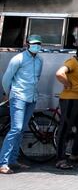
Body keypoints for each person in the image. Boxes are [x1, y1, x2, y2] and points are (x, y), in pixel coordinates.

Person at [0, 35, 44, 174]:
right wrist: (9, 93)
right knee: (16, 128)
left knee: (22, 129)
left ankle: (13, 160)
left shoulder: (39, 60)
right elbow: (7, 78)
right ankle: (3, 162)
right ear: (27, 44)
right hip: (18, 96)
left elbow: (37, 78)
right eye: (34, 43)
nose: (37, 46)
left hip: (32, 97)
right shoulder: (18, 59)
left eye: (39, 44)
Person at [54, 42, 78, 170]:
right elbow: (60, 73)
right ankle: (60, 159)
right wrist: (68, 84)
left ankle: (75, 154)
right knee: (65, 128)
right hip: (70, 99)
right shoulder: (72, 62)